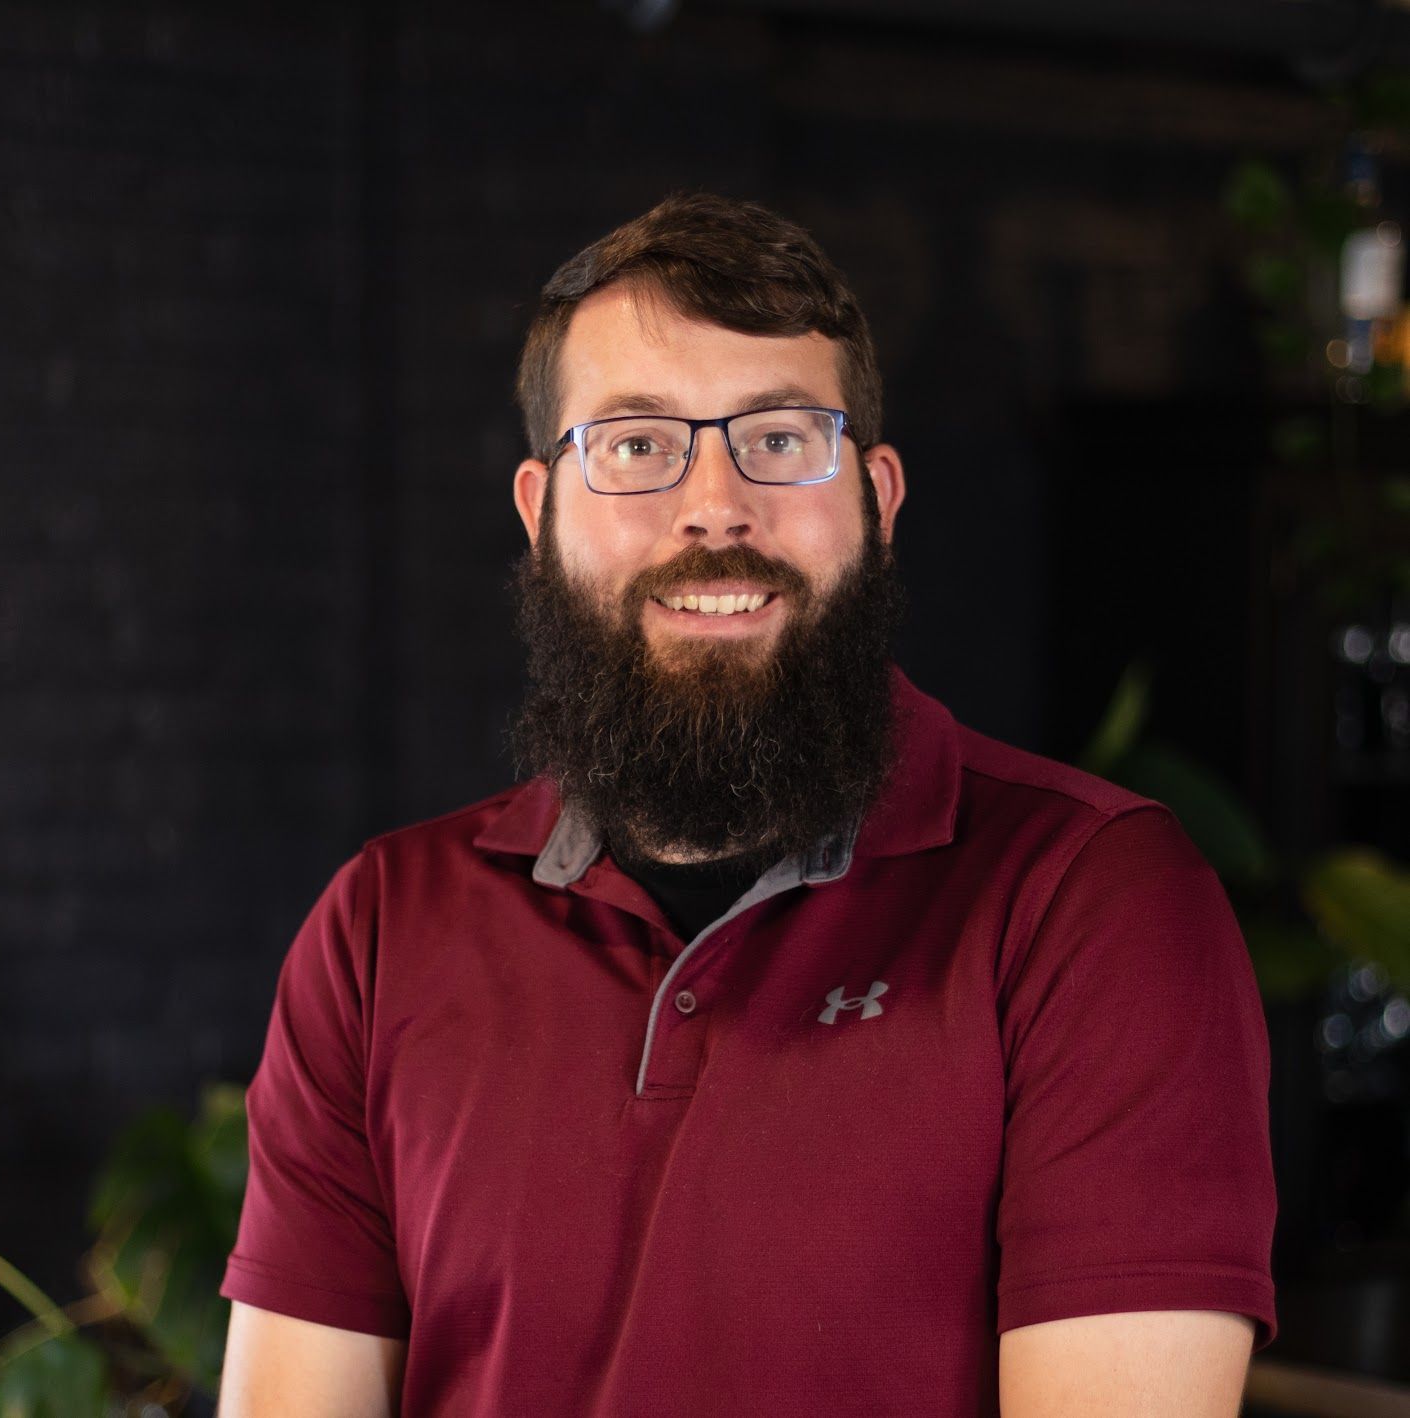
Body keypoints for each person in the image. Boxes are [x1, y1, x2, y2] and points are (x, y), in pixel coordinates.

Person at [218, 194, 1276, 1416]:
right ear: (538, 508)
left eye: (780, 440)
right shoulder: (380, 927)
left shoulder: (1091, 905)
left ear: (876, 497)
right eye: (634, 445)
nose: (714, 503)